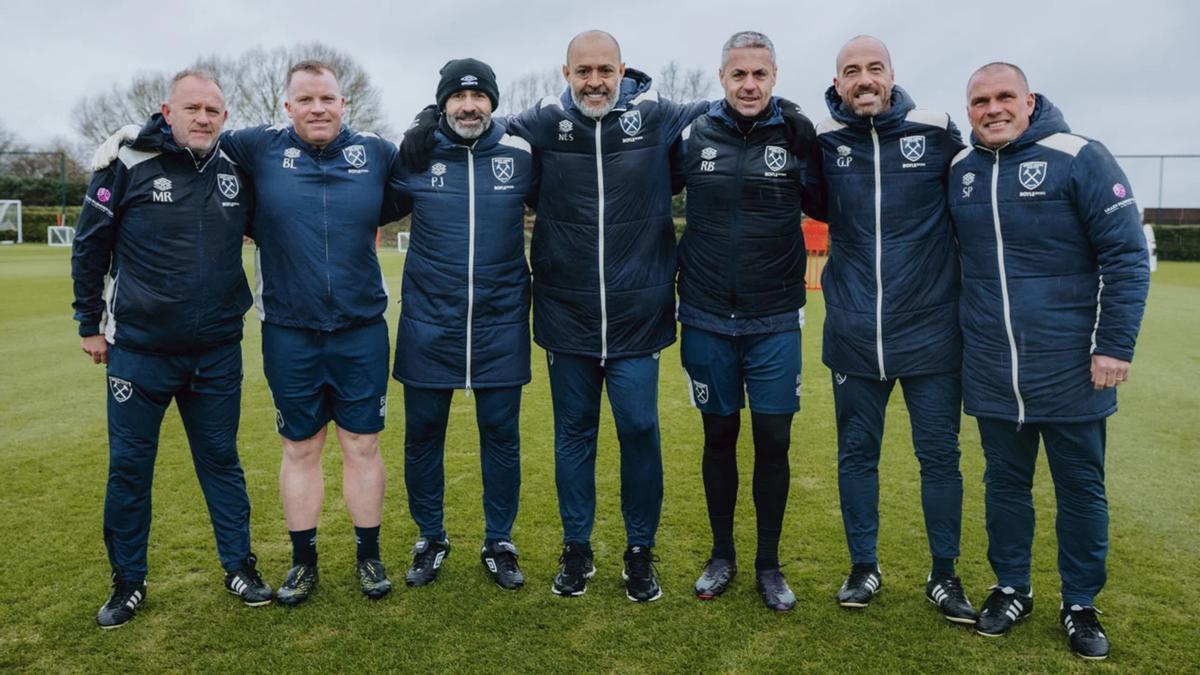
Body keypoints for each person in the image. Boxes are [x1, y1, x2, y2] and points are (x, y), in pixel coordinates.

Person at [93, 60, 404, 604]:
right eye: (305, 100)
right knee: (300, 447)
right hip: (288, 331)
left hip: (360, 330)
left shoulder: (376, 152)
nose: (317, 108)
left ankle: (368, 557)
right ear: (287, 108)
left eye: (327, 99)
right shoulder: (256, 148)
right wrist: (134, 136)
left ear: (342, 102)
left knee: (363, 444)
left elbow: (416, 180)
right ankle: (302, 563)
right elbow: (191, 131)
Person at [948, 62, 1149, 660]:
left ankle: (1080, 602)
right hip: (990, 365)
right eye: (979, 100)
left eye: (1004, 96)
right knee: (1004, 486)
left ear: (1029, 100)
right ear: (969, 110)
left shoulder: (1080, 155)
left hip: (1071, 367)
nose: (992, 109)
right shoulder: (960, 169)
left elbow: (1126, 257)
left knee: (1080, 489)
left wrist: (1113, 345)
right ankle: (1011, 587)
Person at [72, 70, 271, 628]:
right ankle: (127, 583)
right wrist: (90, 323)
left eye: (213, 109)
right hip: (140, 351)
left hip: (216, 352)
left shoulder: (238, 169)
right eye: (192, 108)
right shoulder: (127, 161)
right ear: (168, 109)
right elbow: (90, 247)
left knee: (221, 462)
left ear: (224, 117)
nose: (203, 117)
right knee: (130, 470)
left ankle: (240, 567)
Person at [810, 36, 976, 623]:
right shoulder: (824, 143)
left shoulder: (936, 131)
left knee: (940, 458)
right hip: (854, 333)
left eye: (873, 68)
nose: (864, 79)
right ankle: (863, 566)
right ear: (837, 82)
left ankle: (945, 574)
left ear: (891, 75)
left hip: (932, 334)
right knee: (857, 456)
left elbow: (991, 168)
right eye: (851, 71)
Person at [674, 31, 818, 612]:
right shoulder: (692, 135)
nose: (749, 85)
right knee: (719, 437)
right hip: (707, 314)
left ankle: (769, 565)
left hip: (775, 318)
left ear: (775, 76)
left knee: (774, 441)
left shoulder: (799, 135)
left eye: (759, 75)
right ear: (723, 78)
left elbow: (839, 202)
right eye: (739, 75)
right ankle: (722, 555)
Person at [387, 58, 536, 590]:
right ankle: (431, 536)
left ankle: (500, 541)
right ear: (443, 102)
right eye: (457, 98)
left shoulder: (520, 153)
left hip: (500, 322)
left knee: (502, 437)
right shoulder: (416, 155)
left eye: (478, 97)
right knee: (423, 436)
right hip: (430, 323)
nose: (468, 106)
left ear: (492, 101)